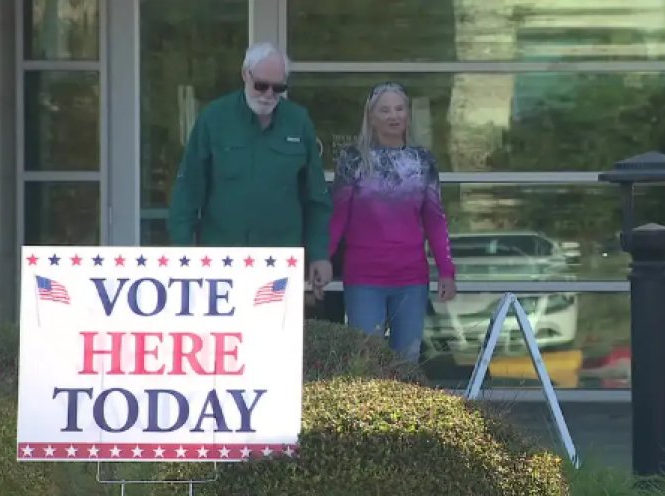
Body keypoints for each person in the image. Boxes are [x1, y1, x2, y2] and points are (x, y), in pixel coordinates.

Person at [167, 42, 333, 294]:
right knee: (224, 333)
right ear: (245, 74)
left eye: (278, 88)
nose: (268, 94)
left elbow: (316, 196)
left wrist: (319, 253)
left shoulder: (298, 122)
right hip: (221, 260)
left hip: (280, 261)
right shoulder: (214, 119)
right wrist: (182, 252)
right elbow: (188, 190)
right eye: (261, 85)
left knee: (274, 332)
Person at [329, 81, 457, 362]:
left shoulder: (423, 161)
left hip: (411, 278)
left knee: (407, 362)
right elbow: (337, 217)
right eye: (385, 110)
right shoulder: (353, 160)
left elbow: (435, 219)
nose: (393, 116)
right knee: (365, 362)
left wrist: (446, 270)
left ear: (408, 114)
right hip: (364, 278)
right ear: (371, 117)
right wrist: (322, 259)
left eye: (399, 109)